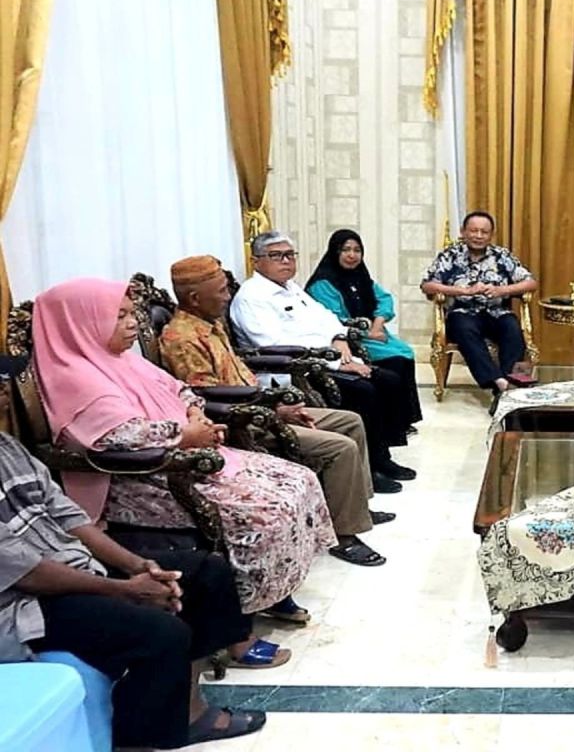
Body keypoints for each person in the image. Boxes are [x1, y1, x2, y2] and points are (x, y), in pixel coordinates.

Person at [33, 277, 337, 622]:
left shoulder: (121, 359)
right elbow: (119, 436)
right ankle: (244, 604)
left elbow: (180, 389)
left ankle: (275, 586)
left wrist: (194, 415)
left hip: (191, 454)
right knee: (263, 510)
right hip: (142, 477)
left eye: (131, 314)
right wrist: (185, 435)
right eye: (119, 316)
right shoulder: (73, 376)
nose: (133, 324)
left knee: (298, 479)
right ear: (81, 322)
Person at [0, 363, 270, 748]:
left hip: (70, 566)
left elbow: (70, 517)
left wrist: (137, 565)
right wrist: (124, 590)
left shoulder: (7, 448)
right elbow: (24, 571)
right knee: (160, 632)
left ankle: (188, 709)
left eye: (3, 383)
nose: (4, 392)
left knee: (205, 572)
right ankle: (142, 735)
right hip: (20, 604)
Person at [161, 254, 393, 567]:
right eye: (222, 291)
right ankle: (345, 536)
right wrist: (273, 410)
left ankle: (353, 508)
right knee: (340, 447)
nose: (227, 297)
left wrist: (277, 404)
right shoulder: (183, 338)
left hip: (263, 406)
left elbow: (239, 373)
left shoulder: (209, 323)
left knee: (350, 422)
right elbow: (205, 397)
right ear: (194, 298)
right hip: (244, 422)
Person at [230, 231, 418, 482]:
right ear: (256, 261)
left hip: (326, 358)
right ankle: (370, 469)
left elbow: (326, 317)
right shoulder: (252, 297)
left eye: (290, 255)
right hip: (294, 373)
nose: (286, 261)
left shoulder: (291, 288)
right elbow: (276, 346)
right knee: (365, 391)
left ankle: (382, 457)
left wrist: (339, 338)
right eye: (276, 256)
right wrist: (337, 362)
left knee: (389, 379)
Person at [305, 229, 424, 427]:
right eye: (346, 250)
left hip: (370, 334)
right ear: (335, 252)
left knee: (405, 351)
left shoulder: (361, 277)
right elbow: (334, 319)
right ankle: (393, 421)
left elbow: (384, 299)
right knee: (396, 358)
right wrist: (368, 333)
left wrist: (377, 326)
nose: (352, 255)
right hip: (346, 339)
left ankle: (404, 419)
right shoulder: (323, 284)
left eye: (357, 250)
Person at [420, 211, 538, 393]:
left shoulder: (501, 256)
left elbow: (531, 283)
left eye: (484, 232)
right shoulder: (450, 255)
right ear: (463, 232)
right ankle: (499, 381)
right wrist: (464, 291)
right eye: (474, 231)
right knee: (464, 328)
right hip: (463, 313)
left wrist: (502, 290)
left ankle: (509, 383)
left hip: (497, 311)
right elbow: (427, 285)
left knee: (512, 328)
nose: (479, 236)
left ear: (491, 235)